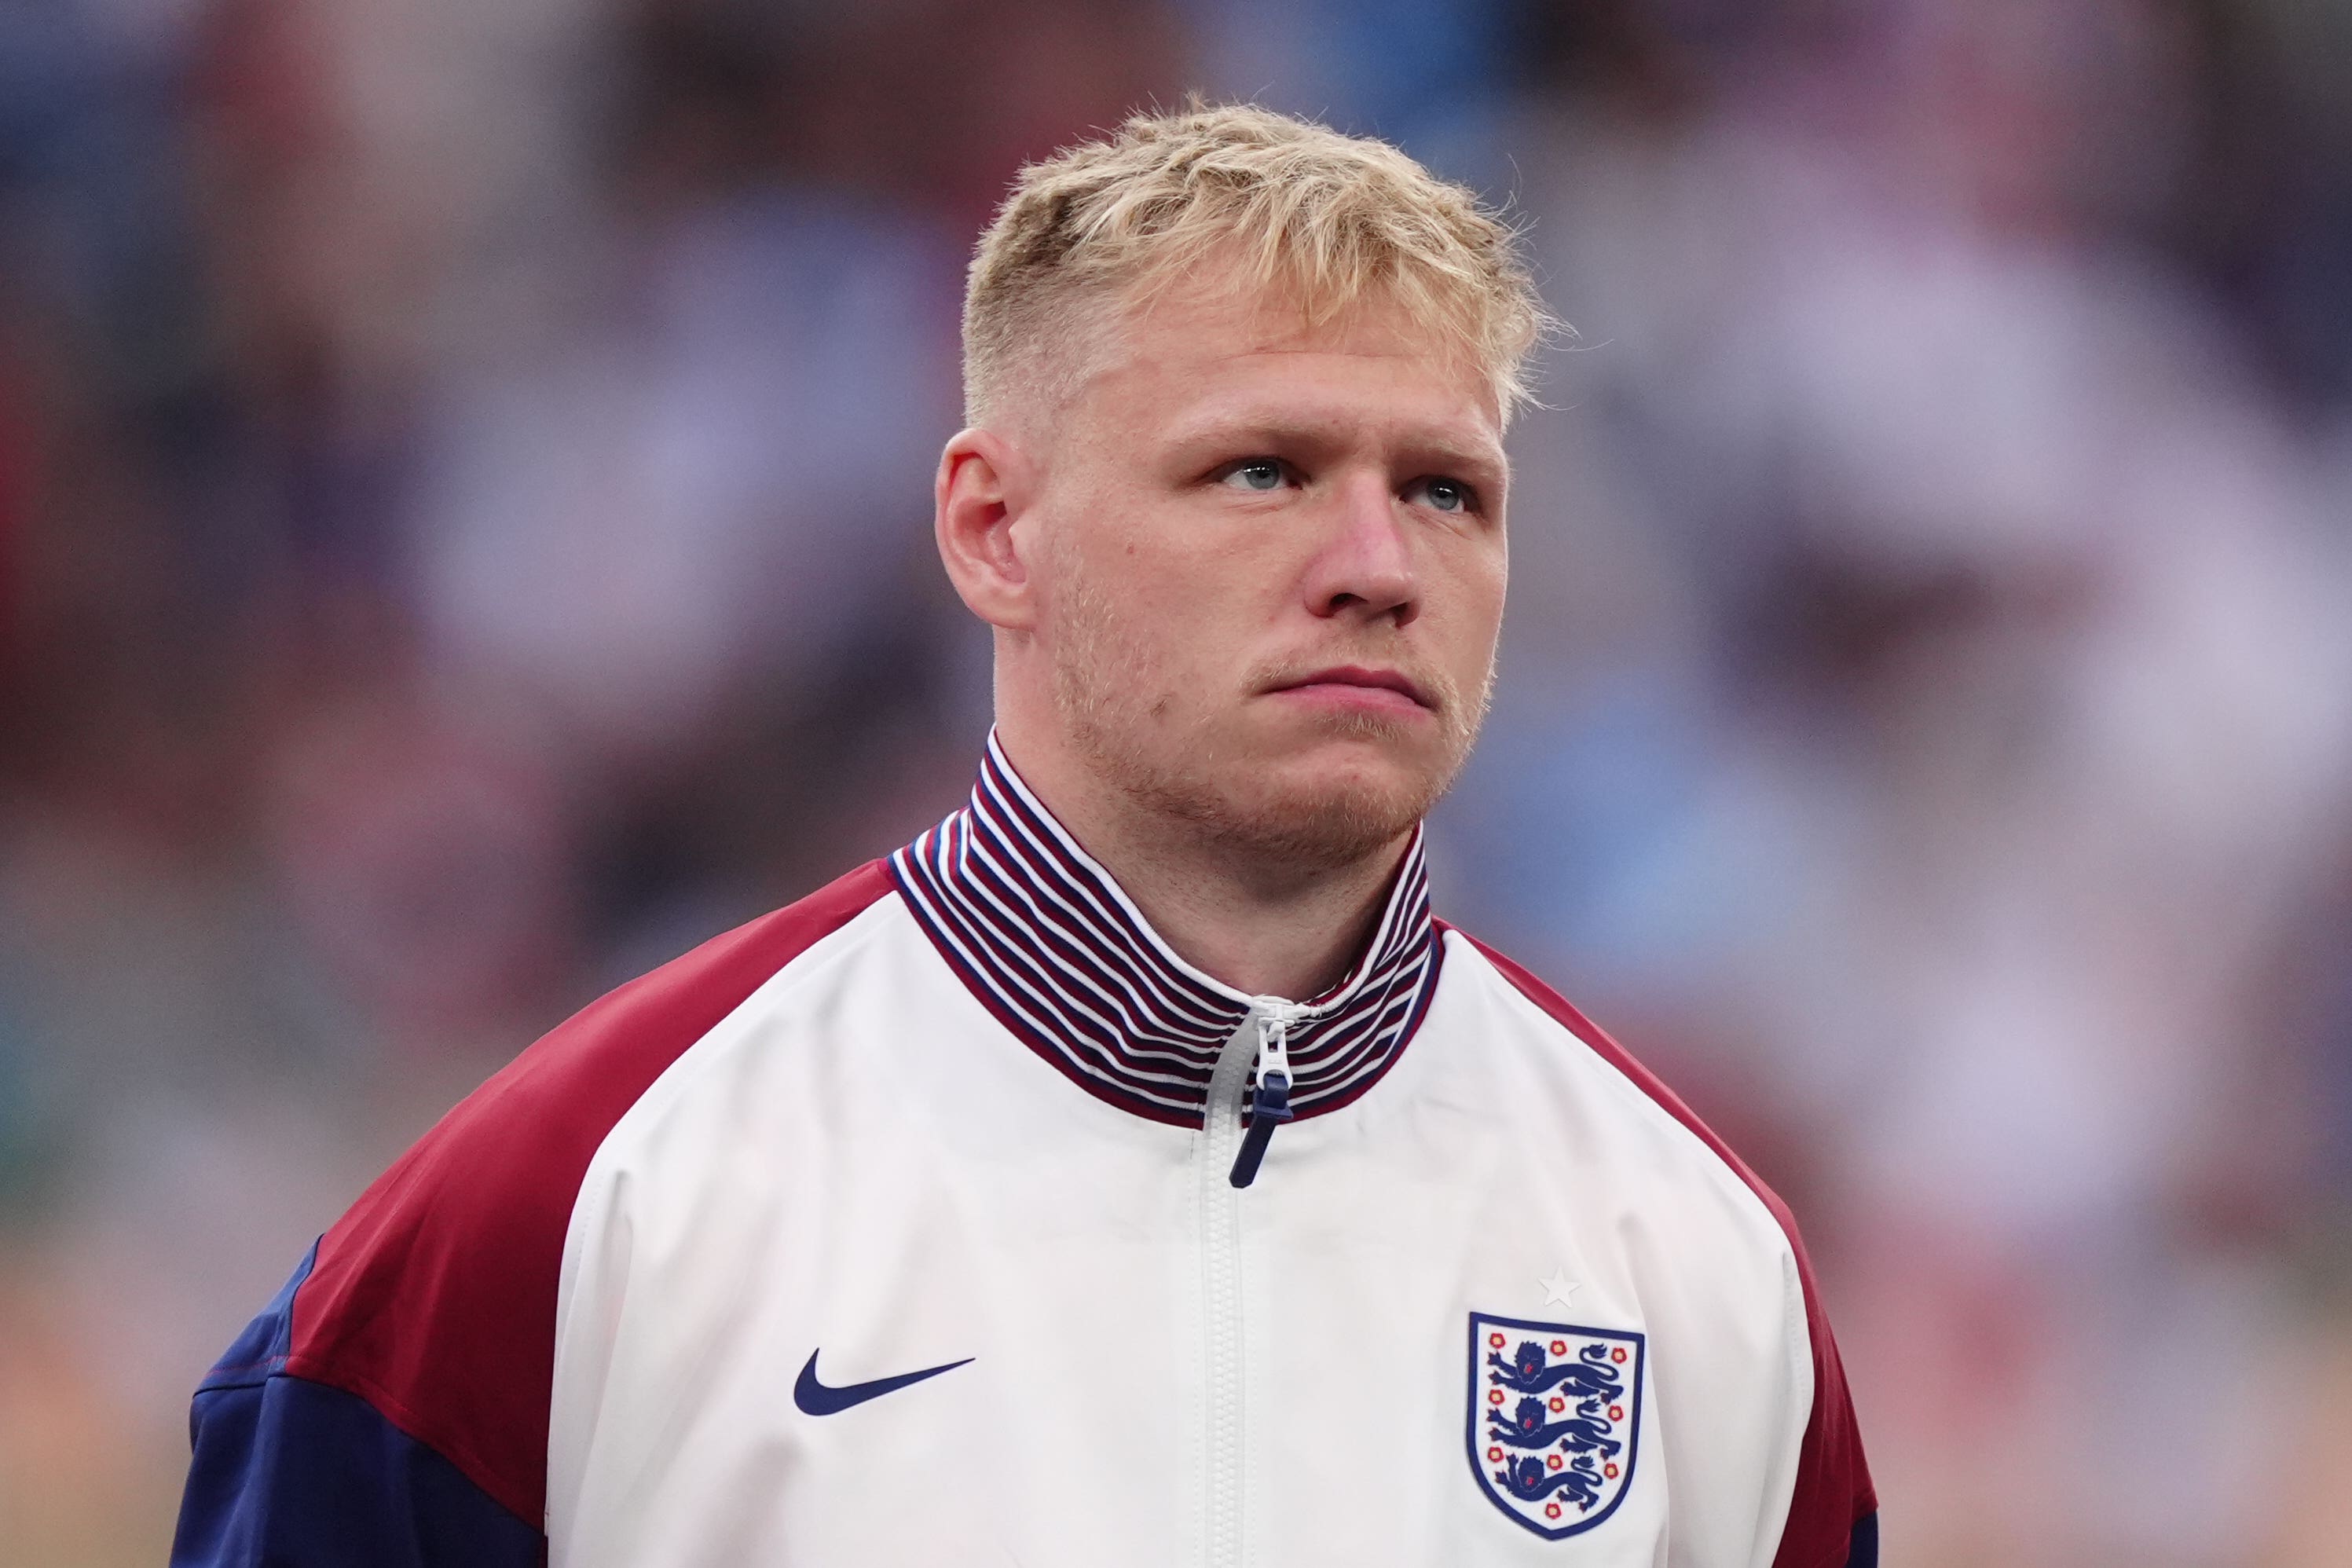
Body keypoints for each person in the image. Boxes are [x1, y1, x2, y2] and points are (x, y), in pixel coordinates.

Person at [171, 104, 1875, 1566]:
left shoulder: (1695, 1260)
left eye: (1447, 488)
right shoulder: (577, 1208)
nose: (1381, 562)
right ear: (995, 530)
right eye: (1263, 470)